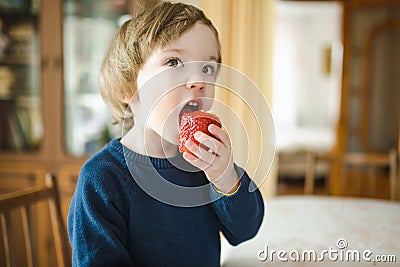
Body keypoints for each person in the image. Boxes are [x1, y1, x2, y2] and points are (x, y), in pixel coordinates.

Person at [68, 1, 264, 266]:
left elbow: (245, 230)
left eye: (207, 68)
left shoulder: (205, 163)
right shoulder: (102, 179)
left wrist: (225, 176)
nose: (198, 80)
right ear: (128, 88)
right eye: (174, 61)